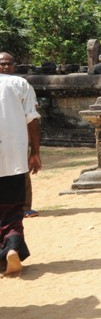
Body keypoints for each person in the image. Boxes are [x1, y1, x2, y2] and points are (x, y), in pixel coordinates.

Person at [0, 51, 42, 277]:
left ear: (14, 65)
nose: (5, 67)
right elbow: (32, 121)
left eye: (8, 63)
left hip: (15, 161)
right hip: (13, 159)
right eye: (2, 64)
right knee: (13, 210)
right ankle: (12, 249)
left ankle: (7, 254)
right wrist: (35, 151)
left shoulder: (20, 83)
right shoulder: (21, 84)